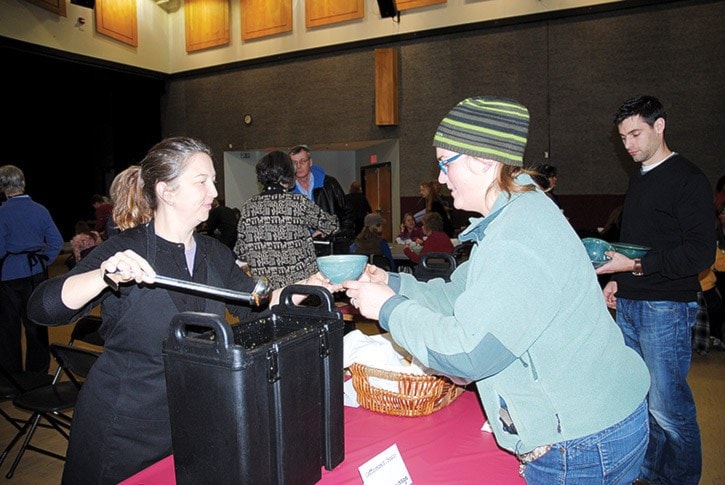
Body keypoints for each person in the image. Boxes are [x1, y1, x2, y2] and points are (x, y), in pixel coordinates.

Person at [343, 96, 650, 484]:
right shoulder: (515, 216)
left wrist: (389, 310)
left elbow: (468, 353)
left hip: (584, 440)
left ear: (483, 161)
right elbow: (457, 295)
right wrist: (391, 283)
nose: (440, 179)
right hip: (601, 420)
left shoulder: (517, 236)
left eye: (444, 164)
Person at [26, 137, 335, 484]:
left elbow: (258, 309)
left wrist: (312, 286)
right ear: (167, 192)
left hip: (193, 424)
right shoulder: (126, 249)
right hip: (124, 429)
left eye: (213, 180)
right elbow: (42, 308)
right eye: (202, 181)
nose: (214, 192)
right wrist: (101, 276)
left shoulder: (214, 253)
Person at [595, 95, 714, 485]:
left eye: (635, 133)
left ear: (659, 126)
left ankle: (679, 479)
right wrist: (619, 279)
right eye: (623, 137)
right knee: (640, 400)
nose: (628, 144)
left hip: (665, 307)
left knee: (669, 408)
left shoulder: (688, 178)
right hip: (631, 302)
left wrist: (635, 267)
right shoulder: (639, 178)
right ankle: (648, 472)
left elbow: (700, 253)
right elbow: (635, 244)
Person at [234, 150, 339, 288]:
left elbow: (240, 251)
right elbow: (332, 225)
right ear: (289, 174)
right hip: (301, 289)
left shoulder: (249, 206)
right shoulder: (298, 202)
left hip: (266, 291)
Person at [0, 165, 63, 376]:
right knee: (36, 324)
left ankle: (12, 378)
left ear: (2, 186)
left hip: (8, 276)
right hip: (35, 272)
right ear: (23, 182)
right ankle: (37, 374)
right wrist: (43, 262)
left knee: (9, 329)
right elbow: (56, 241)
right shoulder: (40, 209)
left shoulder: (2, 212)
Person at [288, 145, 355, 254]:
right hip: (303, 253)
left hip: (333, 249)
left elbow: (348, 215)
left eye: (302, 161)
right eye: (294, 163)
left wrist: (334, 233)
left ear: (310, 162)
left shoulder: (330, 184)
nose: (299, 166)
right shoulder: (288, 192)